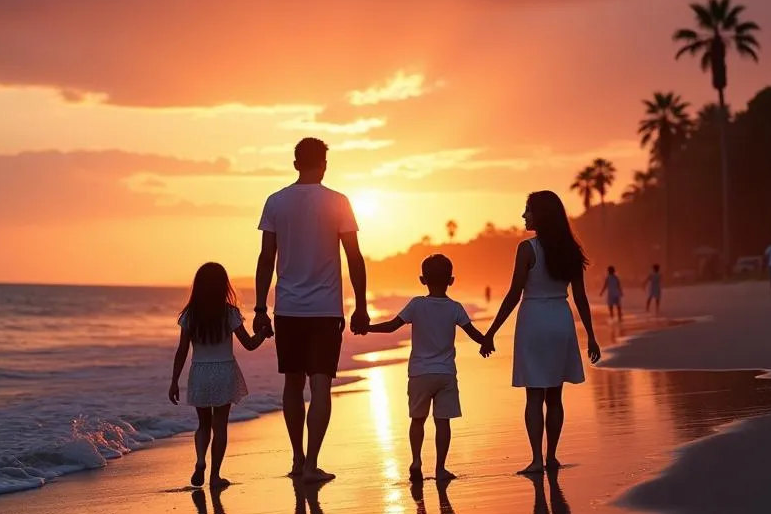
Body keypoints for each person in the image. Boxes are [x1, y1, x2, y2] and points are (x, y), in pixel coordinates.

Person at [254, 138, 369, 483]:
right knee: (320, 386)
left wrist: (260, 307)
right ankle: (311, 464)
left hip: (287, 307)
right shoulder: (338, 202)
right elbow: (354, 257)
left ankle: (297, 457)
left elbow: (266, 257)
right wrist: (360, 306)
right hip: (325, 309)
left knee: (292, 384)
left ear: (294, 164)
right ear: (324, 165)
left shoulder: (276, 201)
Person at [482, 191, 600, 475]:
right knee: (555, 396)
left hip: (533, 320)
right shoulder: (570, 250)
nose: (524, 216)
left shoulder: (527, 249)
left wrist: (491, 331)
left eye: (528, 210)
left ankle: (536, 459)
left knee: (534, 395)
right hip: (561, 319)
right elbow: (580, 298)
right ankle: (552, 457)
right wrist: (592, 336)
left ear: (541, 215)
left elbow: (513, 295)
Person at [366, 254, 490, 482]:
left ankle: (416, 460)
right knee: (442, 422)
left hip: (420, 373)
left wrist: (368, 328)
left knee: (418, 419)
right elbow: (473, 333)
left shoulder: (417, 304)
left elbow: (392, 327)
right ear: (451, 280)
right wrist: (487, 342)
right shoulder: (455, 308)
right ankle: (441, 468)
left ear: (422, 280)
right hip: (445, 374)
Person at [169, 262, 269, 489]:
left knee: (203, 424)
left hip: (200, 372)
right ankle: (215, 476)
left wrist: (174, 380)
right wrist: (263, 333)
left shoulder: (190, 315)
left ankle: (200, 460)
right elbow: (250, 345)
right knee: (220, 425)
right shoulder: (230, 313)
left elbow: (182, 350)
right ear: (223, 286)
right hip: (224, 371)